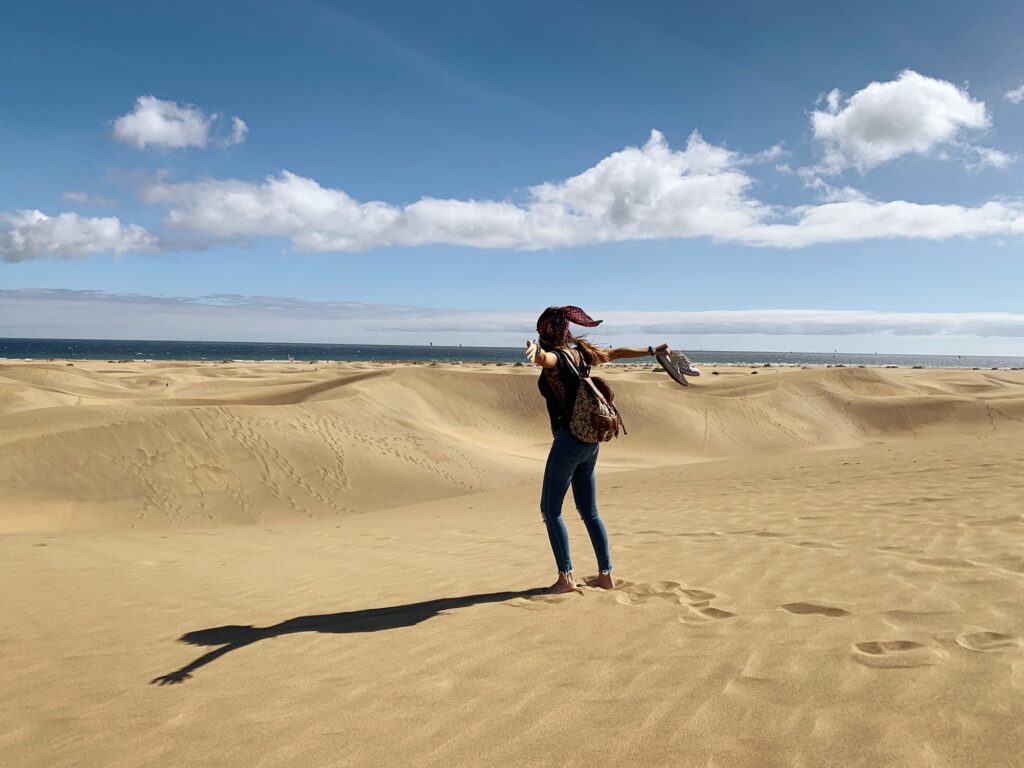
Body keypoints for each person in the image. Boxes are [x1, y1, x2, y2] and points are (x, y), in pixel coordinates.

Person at [526, 306, 671, 594]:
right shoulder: (580, 353)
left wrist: (536, 355)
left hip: (569, 441)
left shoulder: (557, 356)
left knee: (550, 510)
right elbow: (614, 353)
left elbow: (547, 359)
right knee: (589, 511)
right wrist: (652, 349)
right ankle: (606, 575)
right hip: (590, 443)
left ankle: (566, 577)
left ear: (545, 332)